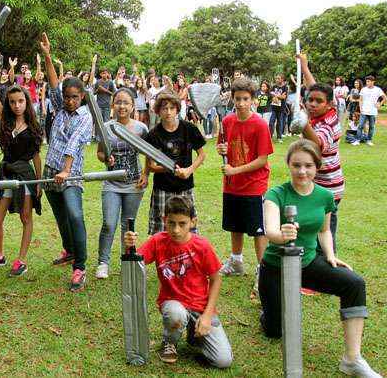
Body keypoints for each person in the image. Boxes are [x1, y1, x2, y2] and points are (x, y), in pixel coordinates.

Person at [259, 139, 381, 378]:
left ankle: (352, 359)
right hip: (276, 266)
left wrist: (331, 255)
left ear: (317, 167)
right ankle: (268, 310)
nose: (302, 171)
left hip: (308, 262)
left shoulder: (325, 196)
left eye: (308, 165)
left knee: (354, 283)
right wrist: (282, 235)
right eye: (296, 165)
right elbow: (270, 231)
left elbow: (324, 230)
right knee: (275, 330)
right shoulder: (276, 194)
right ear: (289, 165)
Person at [123, 196, 233, 368]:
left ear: (193, 222)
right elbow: (135, 262)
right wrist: (129, 246)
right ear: (164, 220)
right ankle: (170, 343)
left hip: (200, 307)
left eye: (182, 223)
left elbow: (216, 278)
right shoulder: (157, 241)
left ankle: (193, 334)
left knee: (223, 360)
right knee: (176, 314)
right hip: (173, 303)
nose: (176, 230)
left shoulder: (202, 245)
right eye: (171, 223)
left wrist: (207, 315)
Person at [0, 52, 43, 277]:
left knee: (26, 217)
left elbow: (36, 157)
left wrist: (39, 184)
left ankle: (21, 260)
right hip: (6, 172)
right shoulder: (5, 119)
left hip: (25, 175)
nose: (16, 105)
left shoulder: (34, 127)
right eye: (13, 102)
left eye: (21, 101)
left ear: (27, 101)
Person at [39, 32, 93, 292]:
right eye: (67, 96)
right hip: (51, 171)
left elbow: (74, 143)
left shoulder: (85, 117)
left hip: (70, 174)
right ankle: (70, 250)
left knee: (74, 214)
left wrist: (66, 170)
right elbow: (52, 83)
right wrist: (48, 56)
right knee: (61, 216)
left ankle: (80, 266)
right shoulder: (59, 107)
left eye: (75, 97)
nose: (70, 101)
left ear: (82, 96)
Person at [216, 78, 272, 295]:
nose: (240, 103)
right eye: (237, 98)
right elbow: (225, 150)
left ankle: (262, 270)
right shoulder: (227, 121)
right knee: (235, 225)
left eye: (245, 99)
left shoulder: (259, 124)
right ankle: (237, 261)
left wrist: (235, 170)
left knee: (258, 229)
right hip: (232, 185)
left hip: (253, 186)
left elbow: (262, 160)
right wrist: (221, 151)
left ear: (253, 100)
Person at [95, 87, 148, 279]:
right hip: (111, 183)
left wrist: (146, 174)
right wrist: (105, 158)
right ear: (113, 105)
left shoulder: (141, 129)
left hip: (134, 184)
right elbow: (100, 152)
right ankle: (103, 262)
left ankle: (127, 261)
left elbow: (148, 154)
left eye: (126, 103)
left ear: (133, 106)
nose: (122, 106)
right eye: (118, 102)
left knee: (128, 225)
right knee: (109, 224)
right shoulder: (106, 127)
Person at [299, 53, 344, 255]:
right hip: (317, 184)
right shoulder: (323, 111)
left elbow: (317, 145)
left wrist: (303, 123)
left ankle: (328, 266)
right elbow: (312, 86)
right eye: (310, 100)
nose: (313, 104)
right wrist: (305, 67)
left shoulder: (327, 123)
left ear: (329, 105)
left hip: (329, 189)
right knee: (313, 227)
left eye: (318, 102)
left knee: (324, 231)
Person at [145, 91, 206, 235]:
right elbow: (150, 165)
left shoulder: (189, 128)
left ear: (177, 109)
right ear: (158, 111)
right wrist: (169, 169)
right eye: (164, 108)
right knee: (161, 231)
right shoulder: (154, 134)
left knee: (188, 229)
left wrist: (189, 170)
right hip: (163, 188)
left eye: (172, 108)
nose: (168, 112)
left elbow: (202, 155)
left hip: (185, 187)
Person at [352, 76, 386, 146]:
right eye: (366, 81)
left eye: (369, 81)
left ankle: (369, 140)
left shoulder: (378, 89)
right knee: (360, 126)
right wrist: (361, 108)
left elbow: (385, 98)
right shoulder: (363, 89)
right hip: (364, 111)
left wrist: (380, 104)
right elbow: (360, 100)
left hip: (373, 111)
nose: (367, 83)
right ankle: (357, 140)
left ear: (373, 82)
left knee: (371, 127)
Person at [269, 74, 288, 142]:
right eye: (276, 78)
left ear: (282, 79)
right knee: (271, 122)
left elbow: (283, 97)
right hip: (273, 107)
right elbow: (270, 93)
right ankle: (270, 137)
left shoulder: (285, 87)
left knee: (280, 123)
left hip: (281, 108)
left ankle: (279, 137)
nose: (277, 80)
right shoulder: (274, 86)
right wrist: (279, 95)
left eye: (278, 78)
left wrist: (275, 95)